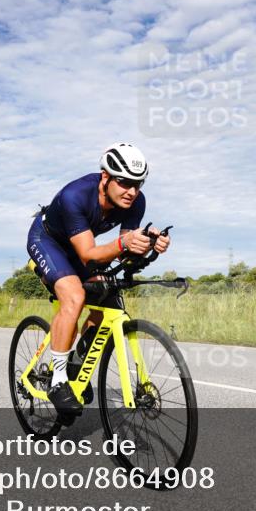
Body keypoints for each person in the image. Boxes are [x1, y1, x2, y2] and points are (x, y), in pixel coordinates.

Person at [26, 143, 170, 421]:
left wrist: (149, 243)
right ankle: (58, 380)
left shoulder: (135, 202)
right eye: (124, 182)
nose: (132, 191)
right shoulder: (75, 196)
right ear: (105, 177)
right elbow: (88, 254)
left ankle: (76, 363)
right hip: (48, 241)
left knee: (108, 298)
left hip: (81, 246)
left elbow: (125, 250)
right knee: (74, 296)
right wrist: (124, 243)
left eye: (137, 184)